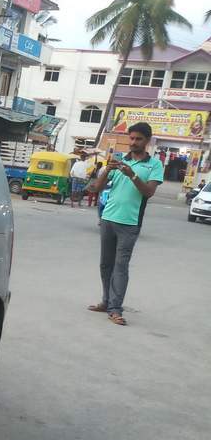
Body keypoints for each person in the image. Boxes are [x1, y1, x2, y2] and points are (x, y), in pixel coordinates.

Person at [87, 122, 163, 326]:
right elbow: (95, 189)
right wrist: (106, 170)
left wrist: (132, 175)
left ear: (147, 141)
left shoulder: (154, 165)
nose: (133, 142)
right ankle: (106, 301)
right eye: (131, 138)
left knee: (120, 267)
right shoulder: (119, 160)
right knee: (105, 265)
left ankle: (115, 309)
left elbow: (148, 192)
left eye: (138, 139)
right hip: (108, 219)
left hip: (129, 224)